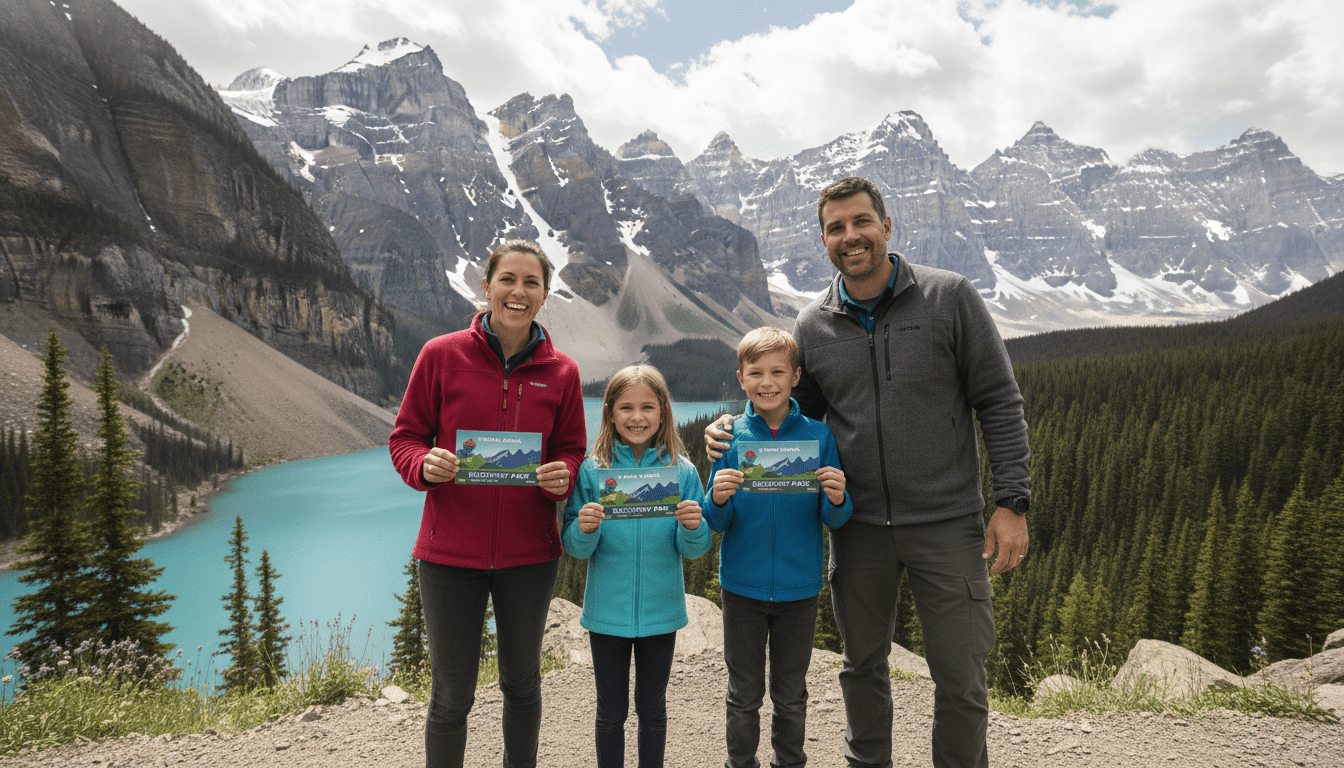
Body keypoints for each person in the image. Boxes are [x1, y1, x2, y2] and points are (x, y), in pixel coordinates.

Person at [706, 176, 1031, 768]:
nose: (850, 236)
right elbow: (795, 421)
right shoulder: (812, 326)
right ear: (823, 239)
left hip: (948, 522)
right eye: (836, 228)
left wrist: (1012, 503)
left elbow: (1000, 401)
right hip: (856, 530)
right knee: (862, 669)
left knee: (960, 677)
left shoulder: (949, 297)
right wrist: (729, 433)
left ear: (886, 226)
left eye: (861, 222)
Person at [388, 239, 587, 768]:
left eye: (532, 283)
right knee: (452, 695)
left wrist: (562, 474)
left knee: (522, 684)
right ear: (487, 285)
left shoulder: (562, 372)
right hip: (449, 556)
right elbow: (405, 437)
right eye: (508, 280)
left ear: (545, 294)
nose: (518, 292)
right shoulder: (440, 355)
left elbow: (572, 449)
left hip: (531, 555)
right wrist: (423, 465)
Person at [705, 326, 852, 768]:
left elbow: (835, 520)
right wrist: (717, 497)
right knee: (743, 693)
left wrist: (839, 497)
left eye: (777, 372)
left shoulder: (819, 437)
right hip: (742, 588)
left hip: (799, 589)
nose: (766, 382)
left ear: (795, 377)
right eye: (756, 373)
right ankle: (740, 763)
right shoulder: (729, 437)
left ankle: (789, 762)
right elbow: (717, 522)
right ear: (741, 378)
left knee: (791, 694)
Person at [561, 365, 712, 768]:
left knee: (653, 710)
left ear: (663, 411)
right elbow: (574, 547)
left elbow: (695, 549)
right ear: (610, 412)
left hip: (662, 615)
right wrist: (585, 528)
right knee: (610, 713)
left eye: (647, 407)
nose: (637, 417)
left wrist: (694, 526)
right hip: (606, 616)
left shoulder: (683, 471)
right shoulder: (593, 471)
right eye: (626, 407)